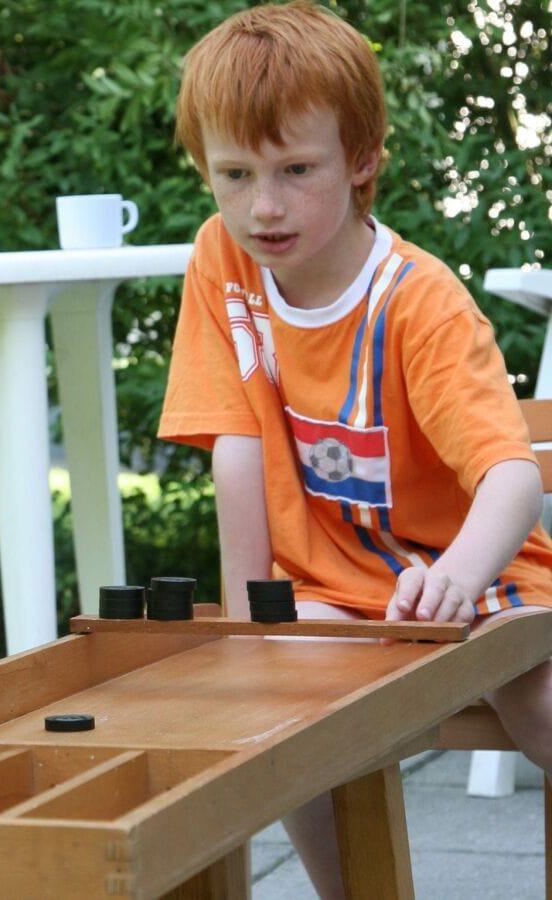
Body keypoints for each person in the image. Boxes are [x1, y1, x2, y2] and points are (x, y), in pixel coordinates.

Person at [158, 2, 552, 896]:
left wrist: (456, 573)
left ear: (362, 158)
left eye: (297, 169)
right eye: (233, 173)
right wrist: (244, 626)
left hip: (473, 573)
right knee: (284, 697)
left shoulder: (421, 302)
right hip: (328, 587)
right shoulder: (220, 261)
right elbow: (236, 447)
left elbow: (508, 476)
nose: (264, 206)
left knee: (542, 699)